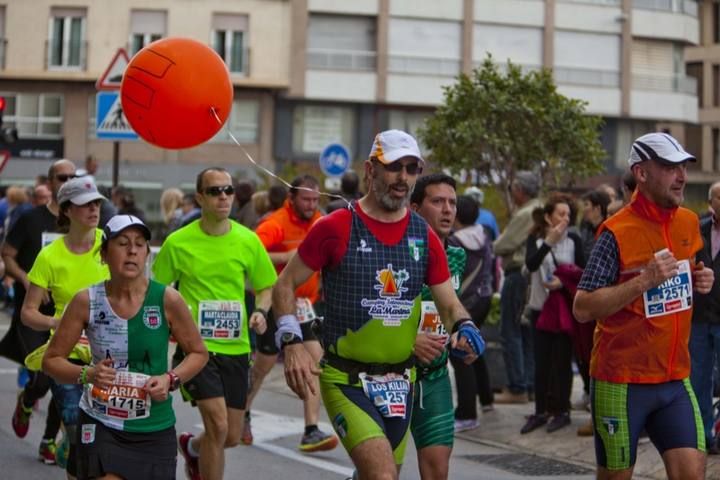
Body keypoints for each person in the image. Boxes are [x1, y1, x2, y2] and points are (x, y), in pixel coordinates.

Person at [272, 130, 482, 479]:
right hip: (346, 380)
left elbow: (448, 304)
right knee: (383, 476)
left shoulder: (423, 234)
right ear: (371, 170)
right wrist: (291, 341)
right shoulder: (335, 226)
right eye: (393, 167)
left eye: (411, 169)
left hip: (402, 383)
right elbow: (285, 285)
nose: (403, 178)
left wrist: (465, 326)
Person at [573, 132, 713, 480]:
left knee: (693, 474)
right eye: (668, 166)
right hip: (621, 380)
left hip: (674, 378)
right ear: (642, 173)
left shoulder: (689, 222)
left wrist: (700, 278)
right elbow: (583, 306)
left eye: (682, 166)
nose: (680, 175)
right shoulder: (615, 231)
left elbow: (685, 272)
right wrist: (643, 281)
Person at [42, 215, 208, 480]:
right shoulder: (86, 300)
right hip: (101, 419)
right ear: (104, 254)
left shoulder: (167, 299)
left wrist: (171, 378)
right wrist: (88, 374)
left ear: (146, 253)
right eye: (122, 243)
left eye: (140, 244)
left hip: (153, 425)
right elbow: (51, 360)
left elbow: (199, 353)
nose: (132, 250)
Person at [153, 167, 277, 480]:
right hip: (197, 350)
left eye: (228, 190)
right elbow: (156, 291)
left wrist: (261, 311)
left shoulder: (247, 240)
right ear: (199, 197)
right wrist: (170, 326)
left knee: (230, 436)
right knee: (218, 426)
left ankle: (194, 449)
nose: (223, 197)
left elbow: (266, 286)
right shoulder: (178, 242)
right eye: (214, 191)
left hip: (236, 347)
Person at [21, 176, 111, 477]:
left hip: (109, 349)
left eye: (97, 203)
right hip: (66, 351)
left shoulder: (110, 245)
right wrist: (58, 322)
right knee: (75, 428)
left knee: (99, 433)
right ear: (67, 210)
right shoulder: (50, 255)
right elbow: (28, 312)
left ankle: (69, 449)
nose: (94, 210)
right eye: (86, 205)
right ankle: (70, 447)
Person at [245, 174, 337, 451]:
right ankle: (242, 412)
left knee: (315, 362)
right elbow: (250, 253)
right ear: (292, 199)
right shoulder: (275, 223)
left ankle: (311, 429)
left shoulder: (321, 222)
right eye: (305, 199)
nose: (311, 205)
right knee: (263, 365)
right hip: (274, 302)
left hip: (304, 305)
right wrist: (286, 258)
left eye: (314, 199)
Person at [0, 159, 77, 465]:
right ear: (51, 181)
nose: (68, 181)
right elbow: (8, 255)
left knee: (64, 377)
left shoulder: (81, 223)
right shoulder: (31, 218)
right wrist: (27, 280)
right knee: (45, 375)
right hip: (33, 311)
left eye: (74, 176)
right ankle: (28, 400)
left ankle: (48, 441)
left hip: (69, 314)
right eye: (62, 177)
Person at [409, 173, 469, 480]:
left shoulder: (457, 256)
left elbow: (451, 306)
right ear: (416, 208)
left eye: (452, 203)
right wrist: (408, 340)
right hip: (390, 374)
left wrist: (464, 333)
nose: (447, 209)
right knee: (378, 471)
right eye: (437, 201)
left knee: (437, 470)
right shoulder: (396, 252)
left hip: (434, 376)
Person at [520, 195, 585, 434]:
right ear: (548, 217)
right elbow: (531, 264)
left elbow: (582, 272)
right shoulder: (535, 240)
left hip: (564, 312)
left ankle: (562, 411)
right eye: (560, 214)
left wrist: (563, 282)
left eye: (568, 215)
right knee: (542, 363)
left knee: (562, 363)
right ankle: (540, 411)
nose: (565, 219)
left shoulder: (574, 240)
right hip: (540, 309)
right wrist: (549, 242)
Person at [493, 171, 543, 403]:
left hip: (518, 273)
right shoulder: (540, 208)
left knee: (510, 330)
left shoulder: (526, 213)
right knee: (526, 332)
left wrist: (496, 243)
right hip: (532, 275)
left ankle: (518, 386)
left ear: (520, 190)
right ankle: (530, 385)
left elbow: (503, 245)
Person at [448, 195, 495, 431]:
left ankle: (466, 413)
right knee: (475, 345)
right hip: (484, 298)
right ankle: (486, 399)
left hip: (464, 303)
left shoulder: (454, 241)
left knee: (460, 354)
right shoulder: (485, 235)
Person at [688, 181, 720, 455]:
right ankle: (703, 434)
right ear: (712, 201)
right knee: (699, 378)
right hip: (698, 315)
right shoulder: (698, 228)